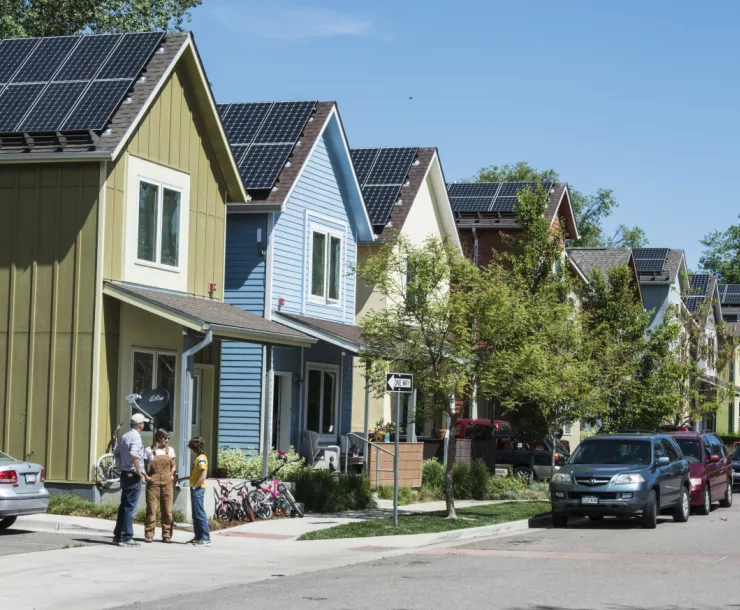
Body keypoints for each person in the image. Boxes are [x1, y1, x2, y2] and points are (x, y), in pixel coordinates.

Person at [113, 413, 151, 546]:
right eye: (143, 423)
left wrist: (124, 463)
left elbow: (116, 453)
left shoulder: (125, 436)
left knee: (124, 505)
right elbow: (135, 454)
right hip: (133, 474)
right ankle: (126, 537)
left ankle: (118, 535)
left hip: (124, 473)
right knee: (130, 507)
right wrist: (138, 471)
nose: (144, 425)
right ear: (140, 425)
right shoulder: (136, 437)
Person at [144, 429, 176, 543]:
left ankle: (166, 534)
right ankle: (149, 534)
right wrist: (146, 477)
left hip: (167, 482)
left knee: (167, 509)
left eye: (168, 438)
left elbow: (173, 466)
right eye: (165, 438)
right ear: (158, 438)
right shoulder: (149, 450)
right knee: (152, 509)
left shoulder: (170, 450)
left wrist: (172, 475)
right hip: (153, 482)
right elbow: (144, 466)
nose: (167, 440)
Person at [178, 436, 210, 546]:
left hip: (198, 489)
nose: (190, 451)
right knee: (195, 514)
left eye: (191, 448)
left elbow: (203, 476)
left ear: (195, 448)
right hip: (195, 487)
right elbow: (194, 475)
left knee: (200, 513)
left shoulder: (201, 458)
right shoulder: (198, 458)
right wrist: (182, 479)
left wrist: (194, 487)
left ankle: (205, 537)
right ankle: (197, 536)